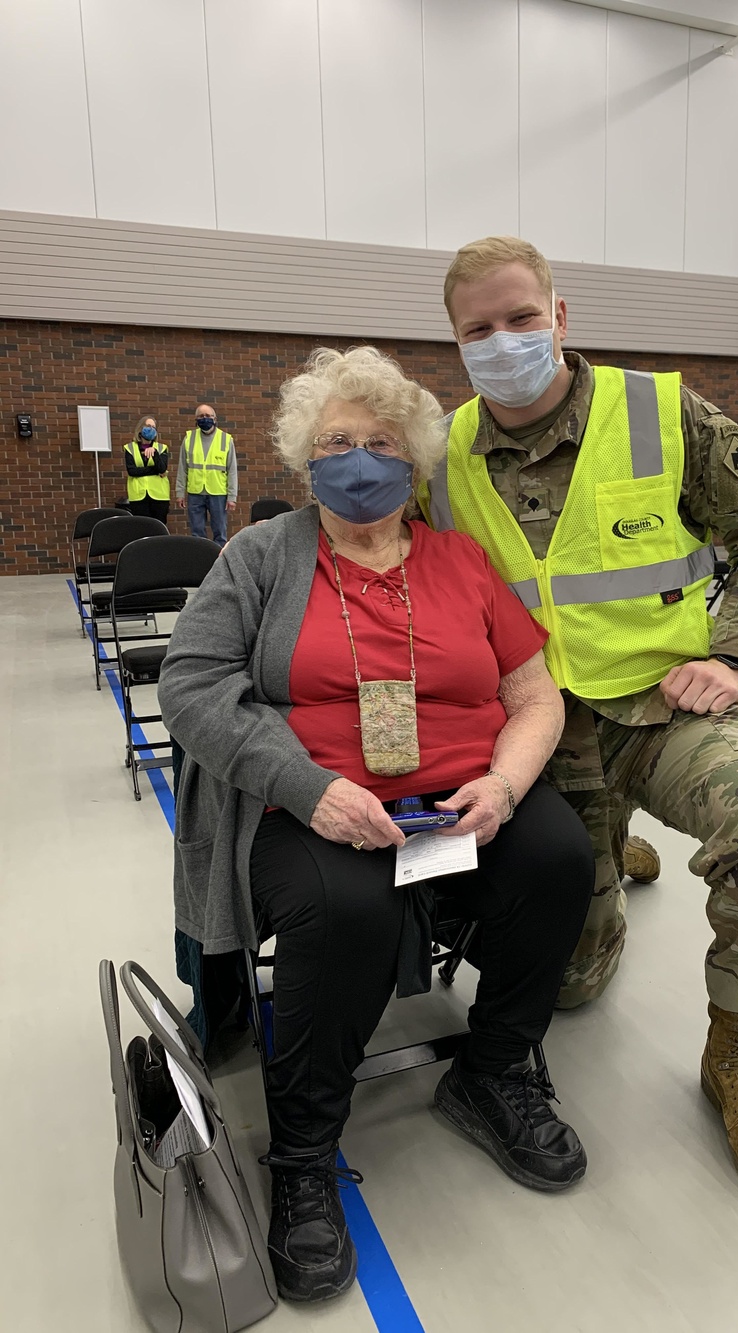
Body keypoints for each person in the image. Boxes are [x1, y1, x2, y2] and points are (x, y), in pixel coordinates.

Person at [159, 347, 594, 1305]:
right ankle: (306, 1152)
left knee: (561, 856)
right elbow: (189, 684)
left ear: (416, 461)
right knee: (346, 910)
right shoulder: (260, 556)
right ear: (303, 460)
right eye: (336, 444)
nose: (360, 461)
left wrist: (507, 787)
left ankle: (491, 1070)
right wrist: (308, 786)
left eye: (381, 443)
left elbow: (535, 695)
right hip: (317, 809)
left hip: (459, 802)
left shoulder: (461, 560)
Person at [422, 235, 738, 1201]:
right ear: (454, 343)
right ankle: (615, 851)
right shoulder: (438, 458)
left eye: (522, 317)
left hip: (666, 708)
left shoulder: (657, 412)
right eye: (478, 328)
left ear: (560, 316)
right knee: (568, 987)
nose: (504, 339)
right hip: (533, 734)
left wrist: (734, 655)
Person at [176, 402, 237, 546]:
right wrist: (180, 493)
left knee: (220, 532)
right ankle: (200, 560)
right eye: (201, 416)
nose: (205, 418)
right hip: (195, 493)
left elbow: (232, 470)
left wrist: (232, 496)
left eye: (208, 415)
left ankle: (219, 562)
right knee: (197, 532)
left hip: (218, 492)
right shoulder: (189, 438)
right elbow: (182, 467)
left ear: (215, 419)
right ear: (196, 420)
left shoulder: (226, 439)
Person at [123, 414, 170, 521]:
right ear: (141, 428)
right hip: (138, 496)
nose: (151, 429)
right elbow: (132, 471)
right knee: (142, 527)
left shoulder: (161, 448)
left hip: (159, 496)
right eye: (148, 426)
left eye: (154, 427)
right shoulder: (130, 448)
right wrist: (155, 471)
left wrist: (155, 454)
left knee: (159, 527)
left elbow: (162, 469)